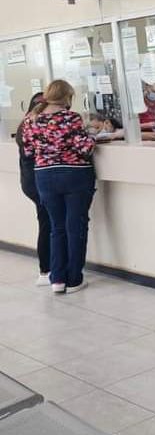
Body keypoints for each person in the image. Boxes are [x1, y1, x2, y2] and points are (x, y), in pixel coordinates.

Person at [21, 81, 97, 294]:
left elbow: (28, 151)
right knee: (75, 227)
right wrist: (92, 138)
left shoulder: (31, 119)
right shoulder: (71, 117)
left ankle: (57, 279)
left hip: (44, 176)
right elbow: (85, 147)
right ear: (66, 97)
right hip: (74, 175)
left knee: (57, 228)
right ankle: (74, 280)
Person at [15, 92, 50, 286]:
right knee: (48, 224)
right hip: (37, 182)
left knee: (47, 223)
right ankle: (46, 270)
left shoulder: (25, 124)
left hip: (31, 182)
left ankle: (47, 270)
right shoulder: (34, 124)